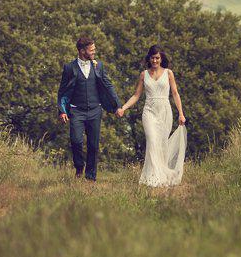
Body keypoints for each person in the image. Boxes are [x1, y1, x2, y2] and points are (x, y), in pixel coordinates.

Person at [117, 45, 187, 187]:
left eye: (157, 58)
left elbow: (175, 93)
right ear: (149, 58)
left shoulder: (168, 73)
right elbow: (137, 95)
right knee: (152, 141)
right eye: (152, 58)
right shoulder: (144, 74)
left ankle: (162, 175)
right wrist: (123, 107)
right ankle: (153, 178)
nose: (155, 60)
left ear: (161, 59)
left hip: (165, 112)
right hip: (149, 112)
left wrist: (181, 113)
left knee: (161, 145)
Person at [57, 36, 120, 181]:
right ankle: (79, 167)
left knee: (93, 145)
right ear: (82, 50)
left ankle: (90, 177)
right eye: (91, 49)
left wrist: (117, 105)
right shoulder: (69, 68)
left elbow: (108, 85)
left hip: (95, 110)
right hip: (76, 111)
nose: (94, 51)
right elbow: (62, 91)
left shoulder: (98, 66)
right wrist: (62, 110)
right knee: (76, 141)